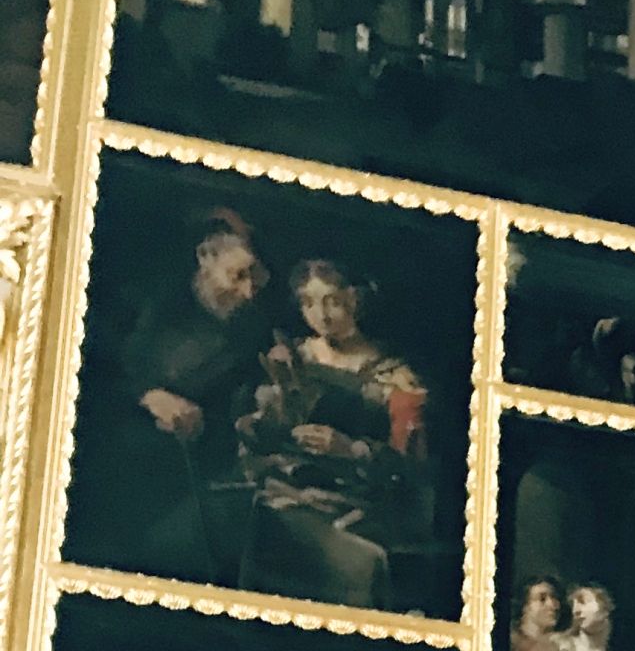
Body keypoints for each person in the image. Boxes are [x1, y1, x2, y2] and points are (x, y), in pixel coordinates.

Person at [236, 256, 434, 608]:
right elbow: (253, 437)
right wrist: (268, 420)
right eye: (309, 304)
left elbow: (412, 467)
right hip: (285, 491)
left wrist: (348, 448)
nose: (321, 315)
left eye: (332, 302)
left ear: (355, 299)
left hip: (357, 503)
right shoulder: (291, 357)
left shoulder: (394, 375)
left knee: (352, 560)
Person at [99, 207, 269, 578]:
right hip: (115, 466)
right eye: (238, 276)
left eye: (255, 278)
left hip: (191, 476)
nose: (247, 292)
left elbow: (234, 413)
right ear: (205, 258)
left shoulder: (249, 330)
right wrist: (149, 395)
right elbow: (96, 374)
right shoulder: (147, 305)